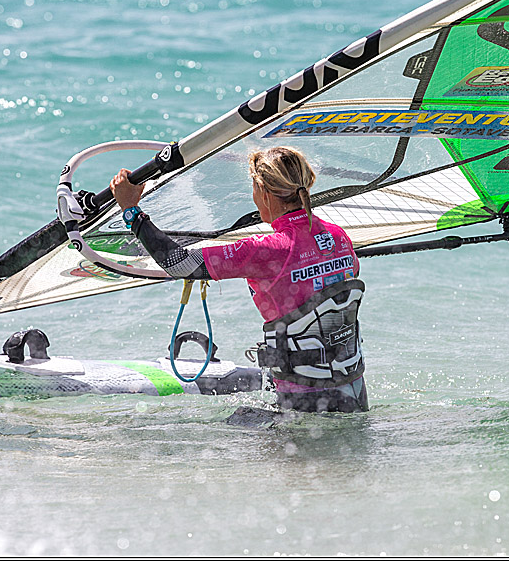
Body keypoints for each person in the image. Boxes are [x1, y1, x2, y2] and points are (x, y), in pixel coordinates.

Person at [110, 146, 368, 413]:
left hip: (305, 401)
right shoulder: (338, 236)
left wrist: (131, 210)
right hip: (353, 389)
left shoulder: (267, 249)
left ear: (264, 193)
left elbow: (179, 264)